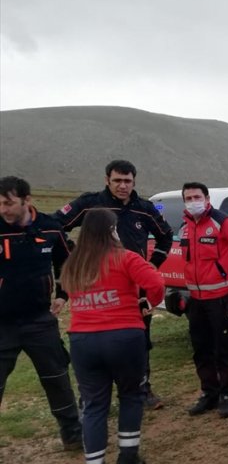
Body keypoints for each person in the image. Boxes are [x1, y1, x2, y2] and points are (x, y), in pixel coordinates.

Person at [61, 208, 164, 464]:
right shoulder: (126, 258)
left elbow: (69, 293)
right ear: (111, 231)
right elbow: (155, 282)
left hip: (83, 340)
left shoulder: (73, 265)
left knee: (94, 404)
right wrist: (149, 303)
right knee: (131, 395)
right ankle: (128, 459)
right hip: (124, 336)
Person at [55, 160, 173, 410]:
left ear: (134, 182)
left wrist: (152, 264)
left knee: (139, 339)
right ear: (107, 179)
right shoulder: (89, 205)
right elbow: (56, 226)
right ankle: (91, 394)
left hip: (134, 287)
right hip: (96, 287)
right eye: (117, 180)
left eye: (127, 181)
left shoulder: (145, 208)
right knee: (95, 340)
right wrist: (72, 253)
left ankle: (142, 388)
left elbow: (165, 235)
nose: (122, 185)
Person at [0, 176, 83, 449]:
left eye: (9, 203)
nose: (3, 209)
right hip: (2, 324)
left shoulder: (50, 227)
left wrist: (62, 294)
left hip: (39, 320)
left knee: (56, 377)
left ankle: (72, 433)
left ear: (27, 200)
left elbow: (65, 264)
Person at [181, 182, 228, 418]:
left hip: (221, 299)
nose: (193, 201)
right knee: (201, 349)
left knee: (223, 348)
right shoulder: (185, 227)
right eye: (188, 197)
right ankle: (209, 393)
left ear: (206, 198)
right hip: (196, 299)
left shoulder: (223, 222)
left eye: (197, 196)